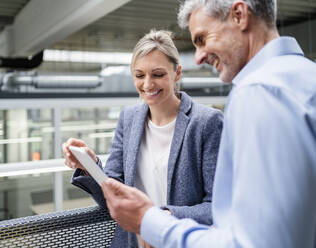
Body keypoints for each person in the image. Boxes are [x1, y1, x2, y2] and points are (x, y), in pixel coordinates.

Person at [101, 0, 316, 247]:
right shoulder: (306, 77)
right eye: (139, 75)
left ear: (239, 15)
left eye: (202, 39)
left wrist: (152, 223)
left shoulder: (258, 92)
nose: (200, 56)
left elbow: (252, 242)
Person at [62, 29, 223, 247]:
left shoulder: (207, 122)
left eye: (158, 74)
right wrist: (90, 167)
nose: (147, 85)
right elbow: (112, 195)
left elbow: (217, 206)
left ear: (177, 73)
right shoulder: (128, 119)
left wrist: (161, 218)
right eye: (139, 75)